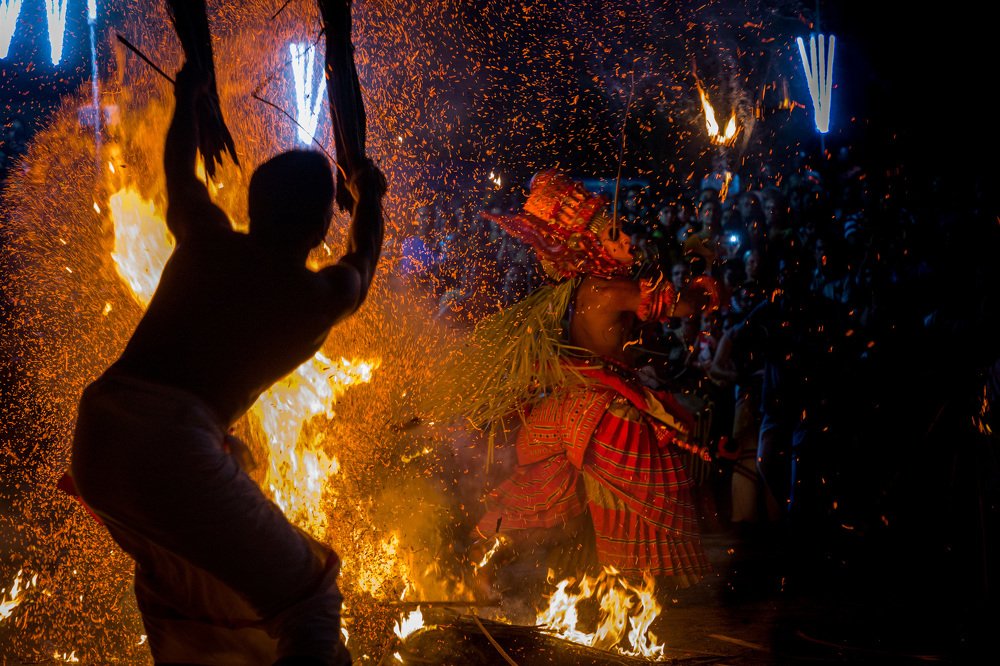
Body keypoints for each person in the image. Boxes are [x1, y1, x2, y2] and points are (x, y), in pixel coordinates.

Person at [68, 60, 385, 665]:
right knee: (310, 598)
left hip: (98, 435)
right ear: (323, 224)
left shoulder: (206, 238)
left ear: (252, 206)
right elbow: (363, 259)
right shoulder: (317, 296)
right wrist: (370, 196)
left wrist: (189, 99)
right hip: (170, 446)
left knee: (186, 587)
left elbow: (178, 174)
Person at [462, 171, 716, 587]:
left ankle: (491, 560)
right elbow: (681, 307)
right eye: (615, 235)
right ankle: (630, 587)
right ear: (594, 245)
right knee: (654, 493)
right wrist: (706, 288)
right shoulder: (613, 290)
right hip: (601, 413)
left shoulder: (578, 288)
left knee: (550, 501)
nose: (628, 240)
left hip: (566, 407)